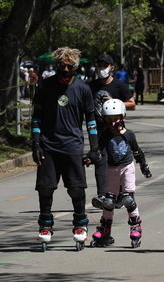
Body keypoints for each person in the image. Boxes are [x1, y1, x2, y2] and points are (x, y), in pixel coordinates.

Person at [31, 47, 101, 250]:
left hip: (72, 146)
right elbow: (36, 117)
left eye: (69, 66)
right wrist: (35, 144)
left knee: (76, 189)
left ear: (75, 67)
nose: (65, 69)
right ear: (56, 66)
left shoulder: (83, 89)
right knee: (45, 188)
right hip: (48, 145)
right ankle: (45, 225)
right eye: (61, 66)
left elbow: (91, 122)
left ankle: (80, 224)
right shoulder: (45, 86)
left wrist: (94, 148)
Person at [87, 99, 151, 248]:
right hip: (112, 169)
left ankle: (135, 225)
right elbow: (98, 151)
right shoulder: (105, 135)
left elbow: (137, 151)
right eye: (109, 119)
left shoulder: (128, 134)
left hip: (127, 167)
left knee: (128, 199)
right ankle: (105, 230)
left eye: (115, 118)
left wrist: (144, 166)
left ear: (122, 117)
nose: (112, 122)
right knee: (109, 201)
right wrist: (90, 158)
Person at [88, 54, 136, 209]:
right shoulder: (91, 86)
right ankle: (103, 195)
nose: (101, 68)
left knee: (118, 161)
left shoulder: (119, 86)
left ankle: (120, 194)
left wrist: (114, 102)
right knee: (99, 160)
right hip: (97, 130)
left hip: (116, 131)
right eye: (99, 65)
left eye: (104, 65)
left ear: (112, 67)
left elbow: (132, 104)